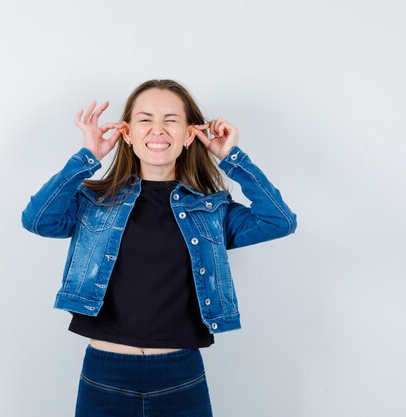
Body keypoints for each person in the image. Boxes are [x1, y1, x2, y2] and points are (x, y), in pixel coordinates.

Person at [21, 79, 297, 417]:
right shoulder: (95, 201)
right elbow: (38, 220)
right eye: (145, 119)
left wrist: (232, 159)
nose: (157, 129)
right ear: (126, 133)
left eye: (170, 120)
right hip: (106, 374)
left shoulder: (211, 210)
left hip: (179, 375)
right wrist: (87, 156)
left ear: (188, 134)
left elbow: (279, 221)